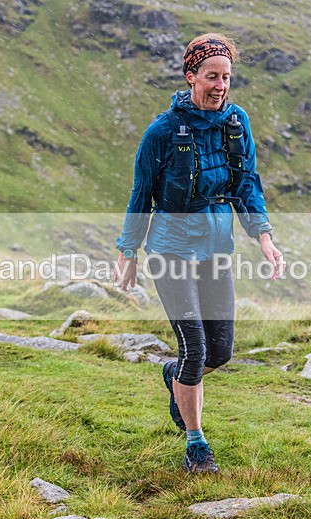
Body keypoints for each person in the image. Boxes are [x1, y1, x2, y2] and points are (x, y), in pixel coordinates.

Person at [113, 33, 284, 474]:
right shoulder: (163, 132)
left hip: (216, 249)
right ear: (191, 77)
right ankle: (196, 444)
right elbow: (142, 192)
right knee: (195, 348)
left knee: (220, 352)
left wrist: (263, 236)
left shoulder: (236, 122)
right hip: (170, 250)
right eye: (212, 76)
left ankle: (175, 379)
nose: (221, 85)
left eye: (227, 76)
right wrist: (129, 250)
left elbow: (247, 182)